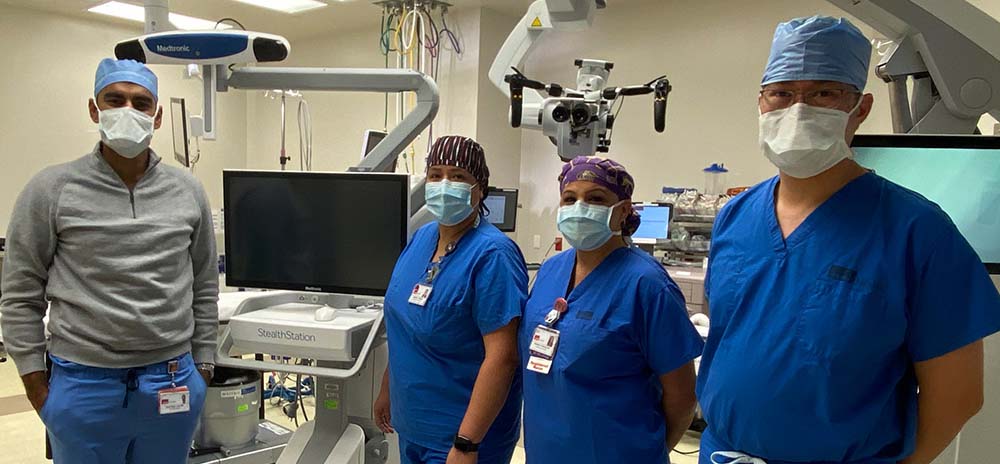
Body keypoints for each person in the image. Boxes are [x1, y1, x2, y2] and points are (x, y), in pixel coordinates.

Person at [697, 16, 1000, 464]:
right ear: (761, 104)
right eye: (781, 92)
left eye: (824, 93)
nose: (797, 110)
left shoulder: (918, 231)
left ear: (860, 108)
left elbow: (958, 396)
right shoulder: (735, 217)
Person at [0, 58, 219, 464]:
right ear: (93, 109)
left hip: (171, 381)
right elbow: (19, 293)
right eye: (114, 100)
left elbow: (205, 284)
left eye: (141, 103)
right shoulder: (52, 189)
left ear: (156, 117)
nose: (128, 111)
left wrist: (203, 367)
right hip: (82, 386)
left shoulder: (187, 190)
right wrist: (35, 382)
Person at [521, 156, 704, 464]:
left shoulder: (647, 285)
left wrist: (645, 452)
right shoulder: (551, 270)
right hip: (545, 450)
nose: (580, 207)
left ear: (623, 211)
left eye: (595, 198)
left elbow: (683, 398)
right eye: (570, 198)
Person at [376, 135, 526, 464]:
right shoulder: (422, 238)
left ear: (480, 188)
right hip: (414, 424)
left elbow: (503, 358)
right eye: (436, 174)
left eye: (458, 176)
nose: (444, 184)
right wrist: (388, 388)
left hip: (461, 436)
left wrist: (467, 443)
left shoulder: (493, 255)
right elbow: (406, 325)